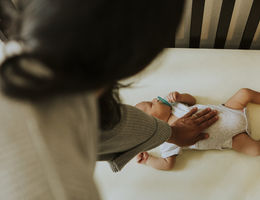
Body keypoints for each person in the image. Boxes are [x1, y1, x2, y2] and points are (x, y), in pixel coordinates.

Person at [0, 0, 219, 199]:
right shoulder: (57, 188)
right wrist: (165, 142)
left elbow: (114, 122)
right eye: (150, 105)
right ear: (137, 62)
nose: (153, 100)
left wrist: (172, 131)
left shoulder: (40, 63)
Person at [135, 89, 260, 170]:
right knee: (255, 150)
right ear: (153, 122)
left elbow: (192, 100)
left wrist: (180, 97)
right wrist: (148, 160)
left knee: (245, 93)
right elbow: (168, 164)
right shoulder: (167, 139)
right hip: (232, 138)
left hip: (229, 109)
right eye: (151, 104)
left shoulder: (174, 106)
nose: (155, 99)